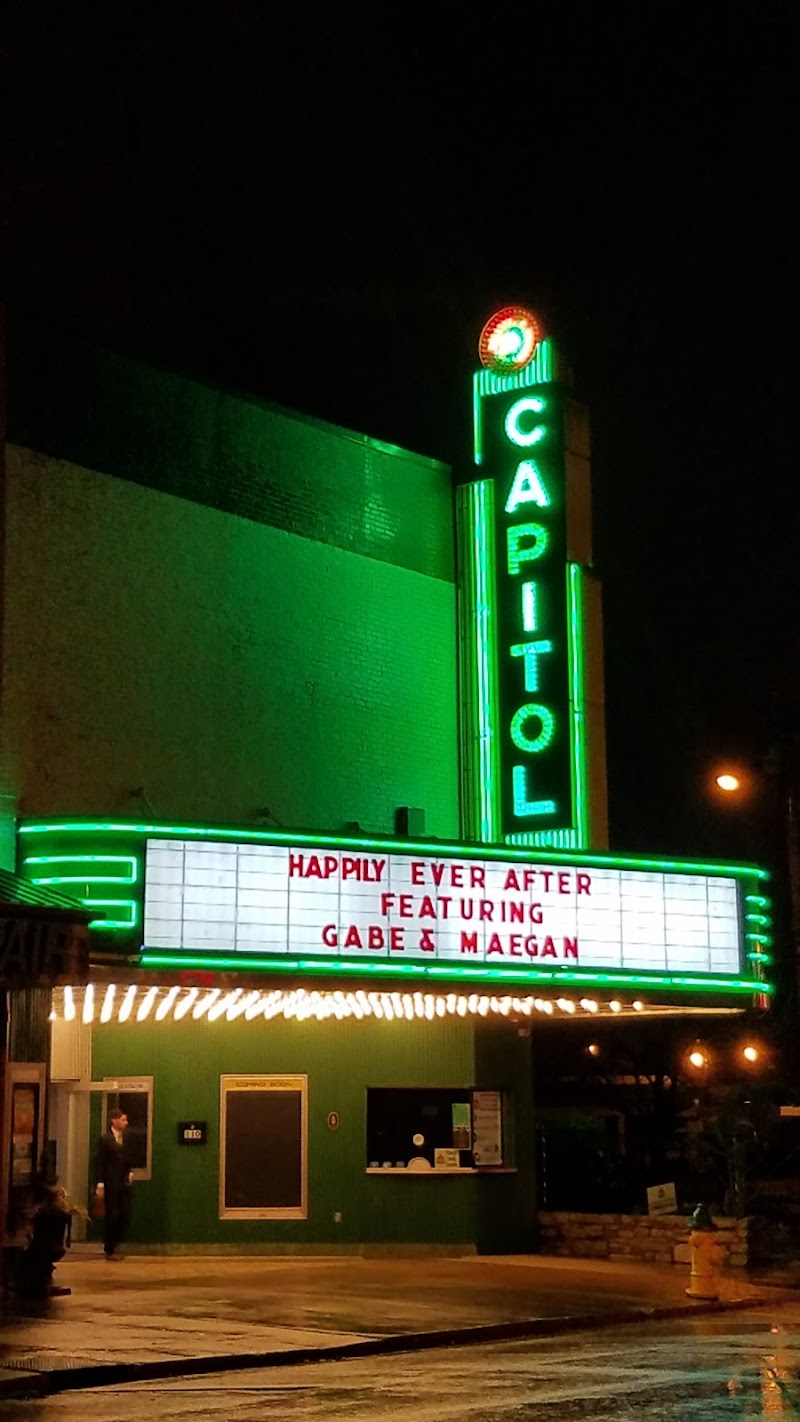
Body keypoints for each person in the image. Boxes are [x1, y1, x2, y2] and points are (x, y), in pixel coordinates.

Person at [94, 1108, 133, 1261]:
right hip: (109, 1183)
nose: (126, 1123)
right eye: (123, 1120)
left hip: (122, 1182)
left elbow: (127, 1157)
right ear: (114, 1120)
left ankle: (116, 1244)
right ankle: (109, 1248)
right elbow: (99, 1162)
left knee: (124, 1213)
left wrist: (129, 1171)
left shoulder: (126, 1138)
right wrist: (100, 1183)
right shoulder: (105, 1139)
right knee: (112, 1215)